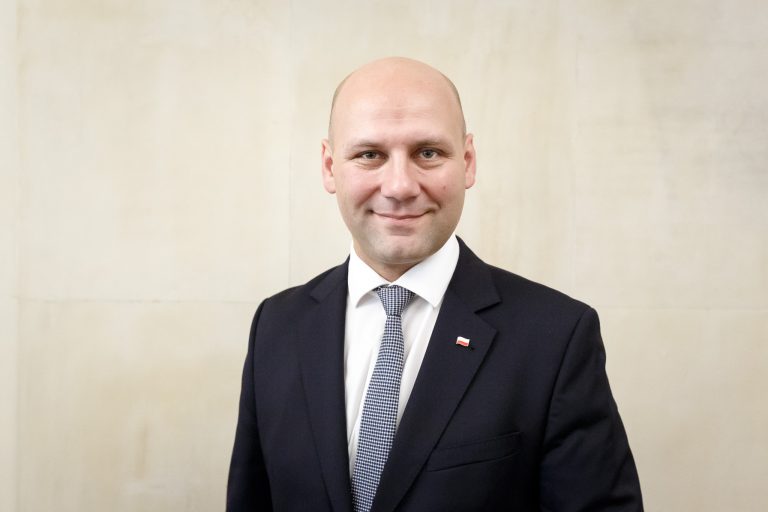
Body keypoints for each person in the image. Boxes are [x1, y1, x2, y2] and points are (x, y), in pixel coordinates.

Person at [227, 57, 643, 512]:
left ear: (467, 162)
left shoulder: (556, 337)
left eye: (427, 153)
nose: (400, 186)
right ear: (330, 166)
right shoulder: (276, 326)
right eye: (370, 155)